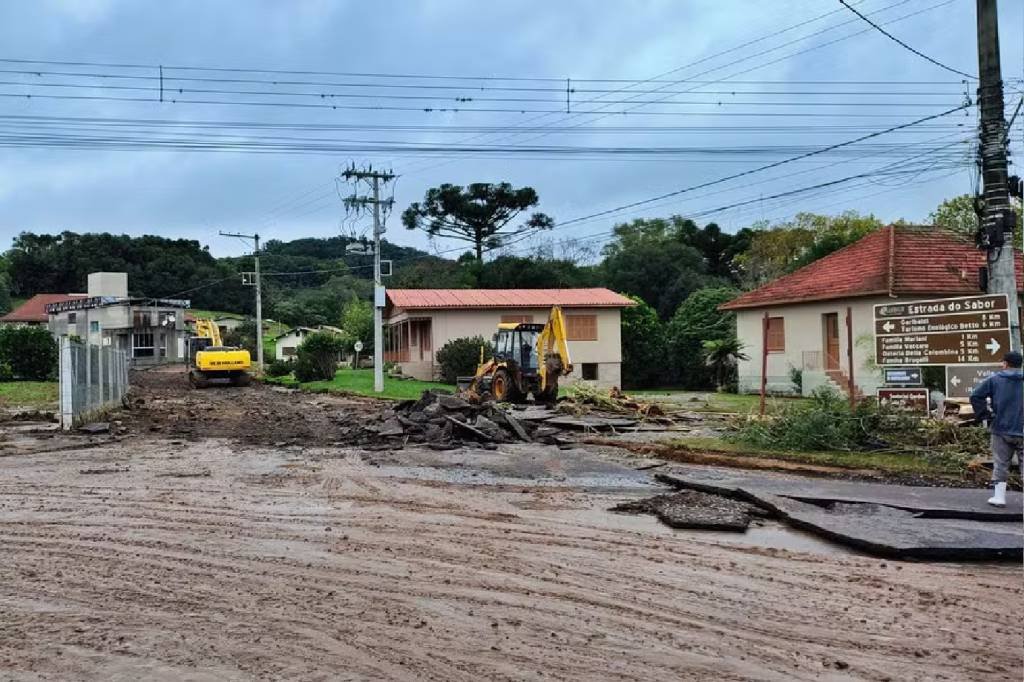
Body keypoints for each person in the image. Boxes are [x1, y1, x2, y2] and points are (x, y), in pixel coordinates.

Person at [969, 350, 1024, 507]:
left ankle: (999, 498)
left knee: (1001, 463)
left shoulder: (995, 379)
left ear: (1005, 364)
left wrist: (985, 415)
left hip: (1001, 428)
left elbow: (975, 396)